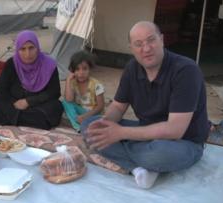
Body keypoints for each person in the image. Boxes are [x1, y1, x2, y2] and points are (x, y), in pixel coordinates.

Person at [81, 21, 210, 189]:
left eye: (151, 40)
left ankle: (142, 160)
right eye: (139, 44)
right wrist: (105, 123)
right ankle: (138, 168)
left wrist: (120, 133)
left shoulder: (186, 70)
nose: (146, 48)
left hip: (184, 142)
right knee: (89, 127)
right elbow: (118, 107)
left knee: (158, 154)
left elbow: (175, 130)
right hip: (146, 132)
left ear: (162, 40)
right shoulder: (132, 68)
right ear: (131, 48)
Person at [0, 30, 63, 130]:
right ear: (17, 50)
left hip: (39, 104)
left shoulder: (49, 65)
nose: (27, 53)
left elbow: (54, 92)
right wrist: (15, 103)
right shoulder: (12, 63)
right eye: (23, 49)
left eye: (31, 48)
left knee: (56, 107)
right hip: (15, 104)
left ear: (37, 47)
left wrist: (29, 102)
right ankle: (30, 121)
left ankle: (8, 119)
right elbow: (1, 90)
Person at [62, 50, 105, 132]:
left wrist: (86, 116)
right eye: (77, 69)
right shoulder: (73, 82)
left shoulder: (96, 85)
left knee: (101, 120)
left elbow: (100, 106)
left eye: (85, 69)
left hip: (93, 114)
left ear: (90, 69)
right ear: (73, 71)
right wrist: (68, 80)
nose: (81, 73)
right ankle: (78, 126)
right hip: (79, 113)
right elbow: (68, 99)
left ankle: (79, 123)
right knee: (65, 102)